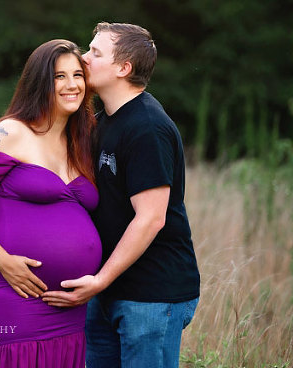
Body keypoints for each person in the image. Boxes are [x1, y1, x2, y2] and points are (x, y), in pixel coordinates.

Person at [41, 22, 201, 368]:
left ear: (123, 68)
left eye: (95, 52)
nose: (84, 58)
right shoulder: (102, 122)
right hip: (107, 290)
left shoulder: (148, 128)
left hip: (152, 295)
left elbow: (151, 218)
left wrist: (100, 279)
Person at [0, 39, 98, 367]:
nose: (72, 84)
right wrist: (4, 262)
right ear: (40, 82)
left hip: (72, 307)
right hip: (17, 296)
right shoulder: (10, 132)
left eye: (78, 74)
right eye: (59, 76)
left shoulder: (83, 138)